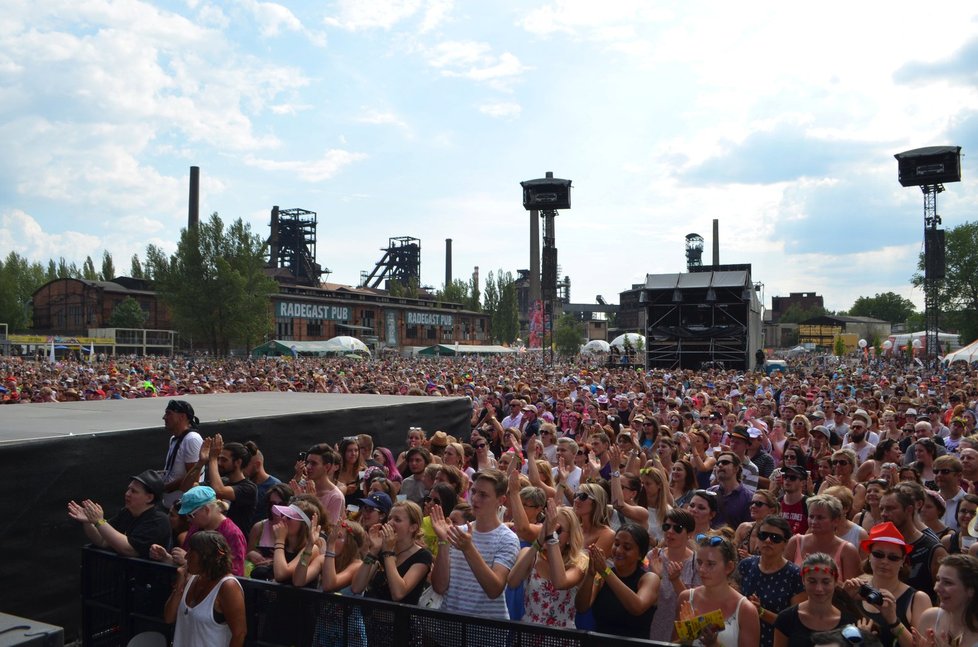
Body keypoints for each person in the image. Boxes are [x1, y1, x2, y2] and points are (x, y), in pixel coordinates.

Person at [430, 468, 520, 620]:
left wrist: (468, 548)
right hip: (448, 627)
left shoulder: (508, 539)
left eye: (483, 495)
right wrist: (443, 541)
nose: (475, 498)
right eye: (474, 491)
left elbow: (494, 589)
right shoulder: (457, 531)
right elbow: (439, 587)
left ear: (501, 500)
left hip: (485, 632)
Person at [840, 522, 929, 647]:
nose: (885, 561)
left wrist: (894, 621)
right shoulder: (855, 587)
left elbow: (922, 645)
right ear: (869, 556)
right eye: (878, 555)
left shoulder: (917, 599)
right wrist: (843, 602)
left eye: (893, 557)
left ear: (903, 561)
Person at [506, 500, 588, 628]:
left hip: (561, 636)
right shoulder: (529, 554)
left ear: (570, 536)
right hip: (530, 632)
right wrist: (538, 542)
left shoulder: (579, 561)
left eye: (558, 529)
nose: (552, 531)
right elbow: (512, 582)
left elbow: (560, 582)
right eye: (548, 525)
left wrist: (551, 537)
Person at [575, 523, 660, 639]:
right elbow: (582, 607)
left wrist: (606, 572)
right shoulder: (602, 576)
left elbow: (637, 607)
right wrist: (590, 575)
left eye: (627, 547)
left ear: (640, 555)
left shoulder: (649, 579)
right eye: (616, 544)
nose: (619, 550)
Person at [164, 530, 246, 647]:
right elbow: (168, 618)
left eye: (191, 552)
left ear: (207, 557)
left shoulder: (228, 587)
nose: (186, 556)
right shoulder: (189, 578)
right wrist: (179, 587)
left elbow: (239, 634)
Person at [677, 533, 760, 647]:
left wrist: (715, 644)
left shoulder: (745, 610)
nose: (702, 569)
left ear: (729, 567)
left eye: (710, 564)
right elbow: (672, 643)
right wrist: (687, 638)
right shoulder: (686, 598)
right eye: (699, 562)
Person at [68, 469, 171, 559]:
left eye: (134, 491)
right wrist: (89, 522)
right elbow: (103, 540)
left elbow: (129, 549)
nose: (127, 494)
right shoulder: (126, 513)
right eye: (128, 489)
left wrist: (99, 521)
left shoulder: (159, 520)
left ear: (149, 498)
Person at [150, 486, 247, 576]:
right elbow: (184, 563)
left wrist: (190, 563)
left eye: (190, 515)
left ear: (206, 510)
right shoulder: (196, 527)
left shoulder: (232, 534)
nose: (188, 519)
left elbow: (234, 575)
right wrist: (166, 558)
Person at [738, 516, 804, 647]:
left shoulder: (795, 574)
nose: (768, 540)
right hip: (743, 639)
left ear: (785, 543)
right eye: (763, 535)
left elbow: (795, 623)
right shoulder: (746, 565)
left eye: (775, 538)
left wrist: (761, 612)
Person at [351, 500, 433, 604]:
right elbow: (356, 588)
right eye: (389, 518)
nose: (390, 523)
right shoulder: (382, 548)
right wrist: (373, 550)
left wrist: (388, 553)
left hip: (398, 618)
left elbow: (398, 594)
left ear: (413, 527)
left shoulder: (422, 556)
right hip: (370, 617)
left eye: (397, 520)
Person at [774, 553, 859, 647]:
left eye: (825, 582)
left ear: (835, 581)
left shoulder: (849, 623)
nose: (819, 588)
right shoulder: (786, 619)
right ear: (803, 581)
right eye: (812, 581)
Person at [880, 485, 947, 602]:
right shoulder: (881, 545)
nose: (884, 514)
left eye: (891, 508)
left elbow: (943, 596)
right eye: (882, 509)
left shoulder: (933, 549)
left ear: (909, 510)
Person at [647, 508, 700, 642]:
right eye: (666, 526)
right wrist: (657, 576)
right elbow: (649, 602)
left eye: (678, 528)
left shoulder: (697, 564)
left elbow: (693, 605)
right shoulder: (653, 556)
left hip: (683, 633)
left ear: (690, 533)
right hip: (655, 626)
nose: (670, 531)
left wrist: (675, 580)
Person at [190, 434, 257, 536]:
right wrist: (201, 463)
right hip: (210, 540)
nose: (219, 463)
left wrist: (213, 458)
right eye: (219, 459)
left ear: (238, 462)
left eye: (224, 460)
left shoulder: (249, 488)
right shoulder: (222, 481)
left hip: (232, 543)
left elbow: (219, 491)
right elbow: (189, 488)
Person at [784, 495, 859, 582]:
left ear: (835, 520)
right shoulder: (795, 542)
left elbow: (851, 591)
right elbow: (785, 579)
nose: (814, 521)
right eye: (811, 517)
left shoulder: (847, 550)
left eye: (820, 518)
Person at [914, 554, 978, 647]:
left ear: (970, 590)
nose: (936, 588)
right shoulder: (930, 618)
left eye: (948, 583)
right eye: (938, 580)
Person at [161, 400, 204, 508]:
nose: (164, 417)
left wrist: (165, 487)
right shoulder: (174, 439)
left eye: (168, 413)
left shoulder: (192, 438)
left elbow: (193, 478)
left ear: (182, 416)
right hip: (171, 507)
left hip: (184, 510)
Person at [708, 452, 752, 530]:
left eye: (725, 462)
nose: (720, 465)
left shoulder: (749, 497)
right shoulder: (709, 492)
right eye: (718, 463)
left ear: (736, 469)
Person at [734, 490, 780, 558]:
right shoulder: (743, 527)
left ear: (771, 510)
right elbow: (732, 552)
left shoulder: (776, 534)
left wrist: (750, 558)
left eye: (758, 503)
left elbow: (775, 561)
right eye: (752, 503)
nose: (753, 506)